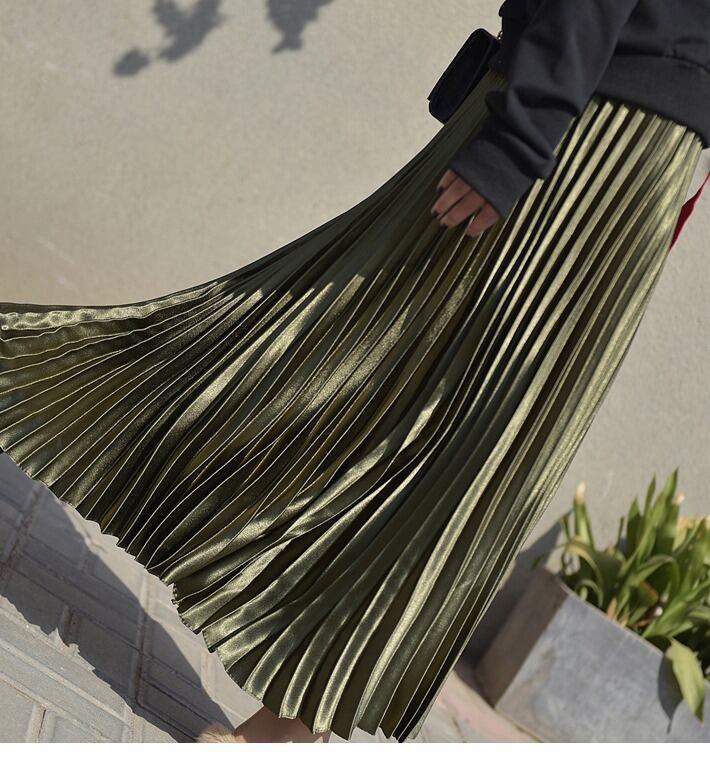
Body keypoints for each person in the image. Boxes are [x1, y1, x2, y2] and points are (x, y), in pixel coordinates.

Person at [0, 0, 708, 745]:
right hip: (632, 147)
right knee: (436, 417)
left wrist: (521, 136)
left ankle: (289, 721)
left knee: (346, 349)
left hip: (583, 128)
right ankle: (287, 714)